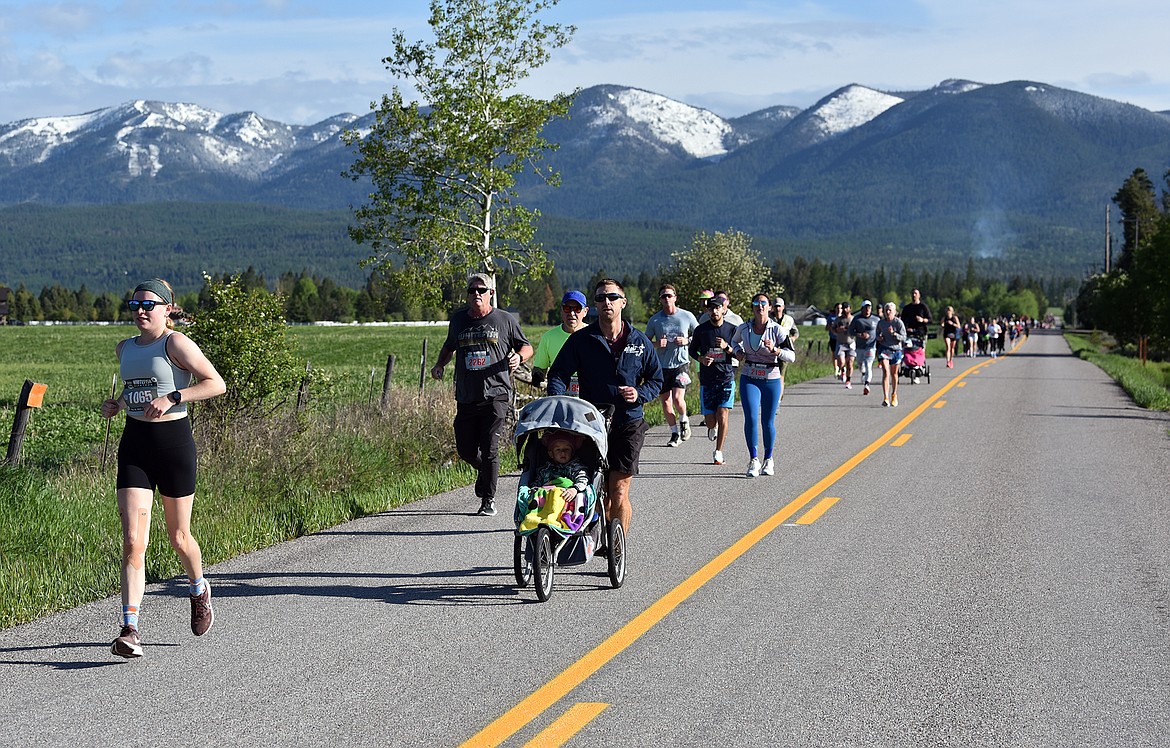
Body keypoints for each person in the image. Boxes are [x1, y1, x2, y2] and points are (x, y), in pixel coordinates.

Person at [100, 278, 227, 659]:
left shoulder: (176, 343)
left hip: (173, 446)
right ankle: (130, 627)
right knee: (133, 542)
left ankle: (199, 588)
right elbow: (137, 389)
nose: (140, 310)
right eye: (134, 304)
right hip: (135, 446)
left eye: (148, 305)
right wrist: (118, 404)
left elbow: (216, 384)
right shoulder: (124, 348)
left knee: (179, 537)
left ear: (167, 309)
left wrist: (174, 396)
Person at [547, 278, 662, 535]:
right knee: (595, 485)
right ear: (596, 305)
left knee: (618, 489)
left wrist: (640, 393)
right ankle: (599, 531)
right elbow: (558, 374)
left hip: (628, 423)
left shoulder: (639, 341)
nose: (606, 302)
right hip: (591, 422)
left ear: (623, 302)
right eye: (600, 298)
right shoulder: (582, 340)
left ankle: (616, 547)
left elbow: (657, 379)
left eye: (611, 297)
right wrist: (558, 402)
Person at [431, 272, 533, 517]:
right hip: (467, 394)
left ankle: (488, 499)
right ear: (467, 295)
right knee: (466, 450)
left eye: (481, 290)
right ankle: (484, 471)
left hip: (496, 394)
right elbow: (449, 346)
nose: (476, 294)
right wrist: (439, 364)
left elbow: (526, 347)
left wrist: (519, 357)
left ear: (491, 294)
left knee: (490, 448)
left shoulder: (505, 320)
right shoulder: (458, 321)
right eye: (472, 290)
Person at [733, 293, 794, 477]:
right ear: (752, 307)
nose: (760, 306)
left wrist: (775, 350)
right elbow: (734, 341)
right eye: (756, 303)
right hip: (749, 376)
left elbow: (791, 355)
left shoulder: (777, 330)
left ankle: (769, 459)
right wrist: (738, 351)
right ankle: (753, 460)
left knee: (767, 421)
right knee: (751, 417)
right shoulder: (744, 328)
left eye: (763, 303)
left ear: (769, 307)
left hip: (771, 378)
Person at [644, 283, 699, 446]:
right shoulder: (655, 320)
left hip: (681, 363)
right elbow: (645, 342)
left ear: (675, 298)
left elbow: (700, 334)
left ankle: (684, 420)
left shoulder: (686, 316)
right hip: (661, 366)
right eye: (663, 296)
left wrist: (687, 341)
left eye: (669, 295)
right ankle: (674, 433)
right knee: (666, 402)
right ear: (660, 299)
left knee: (677, 397)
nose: (667, 298)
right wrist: (656, 344)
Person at [689, 294, 737, 465]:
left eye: (718, 308)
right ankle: (712, 427)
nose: (715, 311)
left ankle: (719, 451)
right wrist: (701, 359)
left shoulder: (732, 329)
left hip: (726, 377)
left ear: (724, 310)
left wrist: (727, 347)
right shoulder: (701, 330)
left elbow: (739, 352)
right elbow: (692, 351)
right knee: (710, 420)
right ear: (708, 311)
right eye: (711, 309)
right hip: (707, 379)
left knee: (723, 413)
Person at [530, 290, 588, 394]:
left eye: (577, 309)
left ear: (585, 311)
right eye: (567, 308)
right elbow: (540, 368)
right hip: (559, 397)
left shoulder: (593, 336)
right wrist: (537, 375)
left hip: (589, 400)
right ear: (561, 310)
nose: (571, 313)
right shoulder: (548, 338)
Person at [532, 430, 590, 508]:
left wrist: (575, 489)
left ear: (572, 453)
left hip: (567, 499)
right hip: (547, 500)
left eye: (567, 449)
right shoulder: (545, 470)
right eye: (558, 450)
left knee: (580, 497)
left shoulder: (576, 467)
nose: (563, 453)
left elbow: (583, 479)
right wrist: (535, 490)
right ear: (551, 454)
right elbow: (537, 482)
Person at [876, 301, 908, 407]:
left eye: (890, 310)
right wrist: (879, 338)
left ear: (894, 312)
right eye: (886, 310)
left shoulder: (898, 323)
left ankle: (894, 394)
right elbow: (876, 335)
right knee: (886, 371)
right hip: (885, 349)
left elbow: (903, 337)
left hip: (896, 350)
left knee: (894, 374)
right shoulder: (881, 323)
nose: (888, 312)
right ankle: (885, 398)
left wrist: (894, 334)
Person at [847, 300, 879, 395]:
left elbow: (881, 329)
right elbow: (850, 331)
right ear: (862, 309)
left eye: (869, 308)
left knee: (869, 364)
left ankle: (866, 384)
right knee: (861, 365)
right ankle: (863, 373)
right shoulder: (857, 319)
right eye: (865, 308)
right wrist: (860, 335)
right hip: (860, 346)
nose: (867, 310)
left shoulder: (876, 319)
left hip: (871, 346)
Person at [772, 297, 799, 394]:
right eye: (775, 306)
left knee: (780, 375)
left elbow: (796, 332)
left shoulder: (789, 319)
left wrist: (792, 339)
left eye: (779, 306)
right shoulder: (768, 318)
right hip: (770, 351)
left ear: (783, 307)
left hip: (784, 350)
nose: (777, 309)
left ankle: (778, 399)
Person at [832, 301, 856, 388]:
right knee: (841, 362)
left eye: (847, 308)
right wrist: (837, 330)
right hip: (841, 343)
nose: (845, 310)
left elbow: (857, 330)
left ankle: (848, 381)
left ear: (850, 309)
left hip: (850, 343)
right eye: (843, 308)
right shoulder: (838, 319)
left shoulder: (853, 319)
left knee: (850, 363)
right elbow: (833, 329)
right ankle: (842, 370)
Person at [826, 302, 843, 379]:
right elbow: (827, 328)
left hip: (841, 339)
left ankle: (841, 368)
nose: (839, 310)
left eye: (840, 308)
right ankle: (836, 368)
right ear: (835, 309)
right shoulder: (831, 317)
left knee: (840, 354)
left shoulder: (843, 317)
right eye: (837, 308)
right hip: (833, 338)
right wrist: (831, 328)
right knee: (834, 354)